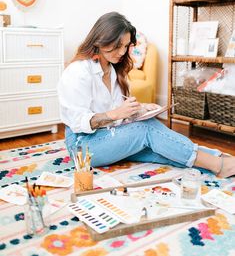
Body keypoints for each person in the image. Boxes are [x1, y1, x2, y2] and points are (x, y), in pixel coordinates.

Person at [57, 12, 235, 178]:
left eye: (126, 46)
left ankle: (221, 159)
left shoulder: (112, 70)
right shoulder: (78, 72)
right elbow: (78, 122)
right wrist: (116, 114)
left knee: (161, 147)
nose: (122, 52)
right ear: (100, 40)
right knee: (146, 130)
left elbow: (117, 112)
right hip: (82, 146)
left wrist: (139, 109)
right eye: (117, 45)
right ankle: (219, 165)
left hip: (108, 135)